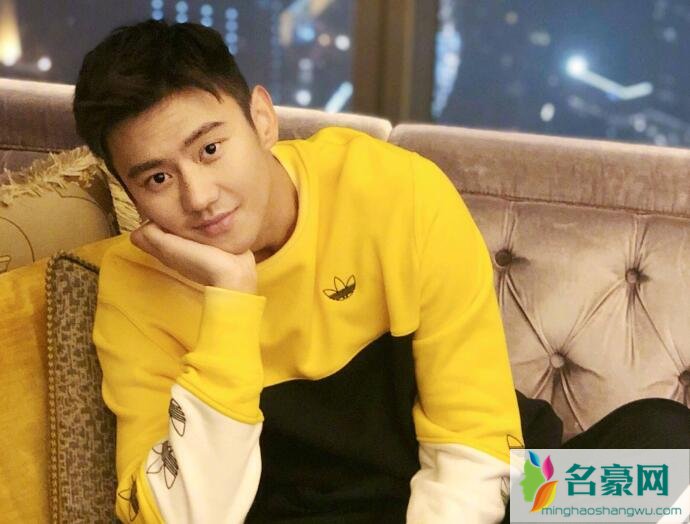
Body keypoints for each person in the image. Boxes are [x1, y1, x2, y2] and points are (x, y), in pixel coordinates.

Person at [73, 19, 689, 524]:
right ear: (128, 189)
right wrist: (231, 301)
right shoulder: (132, 288)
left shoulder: (397, 190)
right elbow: (182, 516)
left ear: (261, 119)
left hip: (489, 496)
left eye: (210, 149)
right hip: (314, 514)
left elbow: (471, 436)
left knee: (664, 451)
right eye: (158, 178)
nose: (199, 196)